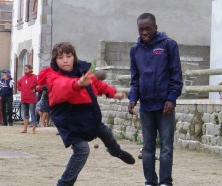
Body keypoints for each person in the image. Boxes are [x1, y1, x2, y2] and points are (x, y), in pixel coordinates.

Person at [38, 42, 135, 186]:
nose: (65, 60)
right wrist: (77, 84)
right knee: (82, 150)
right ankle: (64, 184)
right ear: (55, 61)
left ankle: (117, 152)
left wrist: (113, 93)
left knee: (107, 134)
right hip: (69, 120)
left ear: (74, 57)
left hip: (89, 116)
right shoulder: (52, 76)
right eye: (60, 57)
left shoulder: (82, 71)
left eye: (68, 56)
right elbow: (61, 86)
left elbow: (97, 84)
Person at [128, 13, 183, 186]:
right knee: (147, 147)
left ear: (156, 28)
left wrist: (172, 98)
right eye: (141, 29)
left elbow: (176, 75)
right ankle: (150, 181)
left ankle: (165, 182)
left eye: (148, 29)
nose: (144, 32)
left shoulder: (168, 45)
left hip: (165, 105)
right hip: (146, 107)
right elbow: (135, 78)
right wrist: (132, 98)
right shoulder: (135, 50)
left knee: (166, 147)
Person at [17, 64, 38, 134]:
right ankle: (25, 129)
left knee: (32, 113)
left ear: (30, 69)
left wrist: (35, 90)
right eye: (24, 69)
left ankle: (33, 129)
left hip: (31, 98)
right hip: (24, 98)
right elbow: (18, 84)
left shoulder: (35, 77)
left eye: (26, 69)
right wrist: (21, 89)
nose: (25, 71)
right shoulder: (23, 78)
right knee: (25, 114)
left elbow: (39, 85)